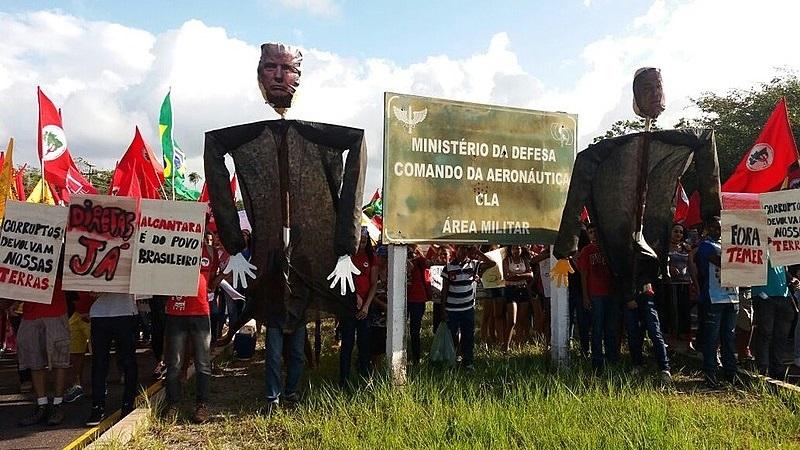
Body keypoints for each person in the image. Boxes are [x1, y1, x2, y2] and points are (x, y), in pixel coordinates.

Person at [163, 231, 219, 423]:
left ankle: (202, 405)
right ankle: (173, 404)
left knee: (203, 363)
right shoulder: (170, 246)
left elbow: (210, 282)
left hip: (201, 313)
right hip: (175, 313)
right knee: (174, 364)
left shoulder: (210, 252)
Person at [13, 275, 70, 426]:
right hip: (30, 312)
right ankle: (42, 405)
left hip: (56, 309)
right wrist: (13, 300)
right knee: (34, 360)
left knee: (59, 360)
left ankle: (58, 404)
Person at [694, 217, 739, 387]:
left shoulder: (731, 245)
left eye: (721, 227)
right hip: (714, 298)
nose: (719, 230)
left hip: (732, 297)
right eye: (715, 227)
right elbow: (721, 262)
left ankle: (731, 373)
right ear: (708, 228)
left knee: (729, 338)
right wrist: (741, 257)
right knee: (712, 338)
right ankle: (710, 374)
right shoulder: (706, 246)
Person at [85, 291, 139, 426]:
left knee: (128, 361)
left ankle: (128, 403)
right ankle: (97, 406)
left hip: (125, 312)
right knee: (99, 362)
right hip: (100, 313)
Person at [442, 245, 496, 370]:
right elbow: (444, 290)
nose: (462, 252)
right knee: (453, 336)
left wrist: (478, 252)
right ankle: (453, 358)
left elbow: (491, 264)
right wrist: (443, 309)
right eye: (460, 249)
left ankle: (468, 361)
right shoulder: (449, 267)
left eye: (465, 250)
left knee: (468, 335)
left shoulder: (474, 265)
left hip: (467, 308)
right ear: (457, 250)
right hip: (452, 308)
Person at [340, 228, 378, 385]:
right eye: (359, 241)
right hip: (349, 306)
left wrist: (366, 305)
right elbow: (344, 279)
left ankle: (364, 377)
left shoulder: (371, 256)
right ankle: (344, 380)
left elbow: (374, 283)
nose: (361, 244)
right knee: (347, 344)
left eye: (364, 241)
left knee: (365, 344)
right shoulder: (347, 256)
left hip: (366, 308)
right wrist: (354, 296)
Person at [578, 223, 618, 370]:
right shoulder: (586, 251)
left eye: (595, 231)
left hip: (611, 294)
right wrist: (585, 296)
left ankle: (612, 359)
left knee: (611, 328)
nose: (593, 235)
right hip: (595, 295)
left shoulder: (608, 249)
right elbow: (583, 274)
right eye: (591, 232)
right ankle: (597, 361)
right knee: (597, 328)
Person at [751, 259, 797, 379]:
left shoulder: (779, 251)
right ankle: (762, 369)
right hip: (764, 295)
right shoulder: (758, 246)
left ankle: (776, 368)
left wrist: (791, 279)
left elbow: (781, 270)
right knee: (765, 333)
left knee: (781, 336)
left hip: (783, 295)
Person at [64, 292, 94, 403]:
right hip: (74, 314)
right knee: (75, 354)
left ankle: (99, 385)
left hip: (96, 313)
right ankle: (77, 386)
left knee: (98, 353)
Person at [502, 245, 533, 351]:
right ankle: (506, 345)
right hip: (511, 289)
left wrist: (516, 276)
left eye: (518, 248)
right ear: (510, 250)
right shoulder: (507, 260)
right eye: (514, 248)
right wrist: (523, 275)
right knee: (512, 321)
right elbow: (506, 276)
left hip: (523, 289)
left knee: (522, 319)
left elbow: (530, 275)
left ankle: (518, 345)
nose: (516, 250)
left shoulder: (524, 260)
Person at [667, 223, 692, 347]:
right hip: (671, 284)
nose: (678, 234)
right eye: (676, 231)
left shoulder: (686, 248)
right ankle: (672, 337)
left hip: (685, 283)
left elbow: (692, 264)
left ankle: (684, 338)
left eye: (681, 232)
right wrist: (669, 267)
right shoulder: (665, 247)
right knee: (673, 310)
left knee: (685, 311)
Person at [406, 244, 431, 365]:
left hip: (417, 298)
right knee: (400, 328)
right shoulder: (399, 259)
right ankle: (401, 354)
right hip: (403, 297)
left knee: (415, 329)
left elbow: (427, 264)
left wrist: (417, 254)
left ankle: (416, 358)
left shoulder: (419, 260)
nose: (409, 252)